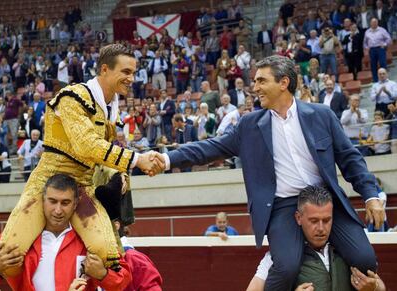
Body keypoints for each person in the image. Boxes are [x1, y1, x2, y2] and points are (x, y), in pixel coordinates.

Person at [145, 55, 383, 291]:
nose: (255, 87)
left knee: (364, 260)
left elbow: (350, 158)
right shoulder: (249, 126)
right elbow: (209, 148)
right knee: (286, 268)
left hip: (324, 201)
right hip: (283, 206)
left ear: (283, 83)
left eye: (261, 81)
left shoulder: (322, 115)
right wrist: (166, 159)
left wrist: (371, 196)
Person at [0, 44, 163, 277]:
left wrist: (118, 172)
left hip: (82, 185)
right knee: (9, 258)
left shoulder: (110, 107)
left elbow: (99, 153)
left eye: (133, 73)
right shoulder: (72, 97)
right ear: (105, 69)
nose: (131, 78)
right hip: (47, 183)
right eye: (126, 72)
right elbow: (87, 145)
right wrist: (136, 160)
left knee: (108, 256)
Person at [0, 174, 133, 290]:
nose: (58, 210)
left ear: (76, 203)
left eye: (65, 203)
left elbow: (123, 281)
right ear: (43, 200)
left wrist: (103, 274)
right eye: (52, 201)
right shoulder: (22, 236)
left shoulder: (91, 238)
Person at [246, 186, 386, 291]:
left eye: (326, 220)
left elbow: (380, 285)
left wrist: (374, 288)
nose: (320, 228)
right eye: (313, 221)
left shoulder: (347, 248)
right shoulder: (280, 255)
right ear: (299, 218)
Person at [364, 18, 392, 82]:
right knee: (373, 65)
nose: (374, 24)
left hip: (380, 49)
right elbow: (365, 42)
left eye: (375, 22)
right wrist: (366, 47)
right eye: (372, 22)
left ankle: (385, 79)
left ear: (377, 23)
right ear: (370, 23)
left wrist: (384, 44)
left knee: (383, 64)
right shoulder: (367, 32)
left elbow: (389, 39)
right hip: (372, 50)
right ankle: (375, 79)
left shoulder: (382, 30)